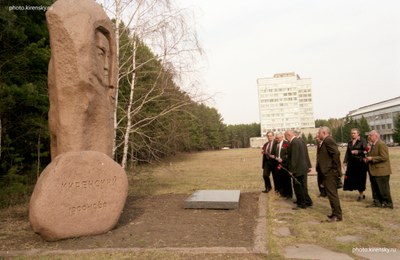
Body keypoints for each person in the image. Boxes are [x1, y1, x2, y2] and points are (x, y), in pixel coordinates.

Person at [316, 126, 342, 222]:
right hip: (327, 172)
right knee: (331, 194)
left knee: (332, 194)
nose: (318, 135)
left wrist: (334, 168)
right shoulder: (325, 141)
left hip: (330, 172)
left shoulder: (328, 140)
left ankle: (338, 216)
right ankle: (334, 213)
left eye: (319, 133)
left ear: (324, 132)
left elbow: (336, 153)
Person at [364, 130, 393, 209]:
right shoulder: (373, 145)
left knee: (383, 189)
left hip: (381, 171)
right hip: (374, 170)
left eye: (370, 135)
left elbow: (384, 157)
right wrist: (368, 153)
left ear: (375, 136)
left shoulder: (381, 144)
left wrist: (371, 158)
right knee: (375, 188)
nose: (369, 137)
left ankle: (388, 204)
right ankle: (377, 202)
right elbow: (371, 155)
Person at [284, 130, 312, 209]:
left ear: (288, 135)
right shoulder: (299, 141)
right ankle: (307, 201)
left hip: (298, 169)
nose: (286, 139)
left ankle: (301, 204)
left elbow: (294, 157)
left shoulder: (294, 142)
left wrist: (291, 170)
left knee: (298, 187)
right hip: (302, 167)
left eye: (286, 137)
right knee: (302, 186)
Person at [343, 128, 368, 201]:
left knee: (360, 179)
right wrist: (344, 161)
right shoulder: (350, 142)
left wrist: (358, 152)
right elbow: (347, 152)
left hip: (360, 162)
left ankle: (361, 195)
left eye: (354, 133)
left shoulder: (363, 140)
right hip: (351, 162)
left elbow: (366, 150)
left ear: (358, 134)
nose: (353, 134)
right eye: (352, 133)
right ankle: (360, 194)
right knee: (351, 178)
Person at [275, 132, 292, 198]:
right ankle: (283, 193)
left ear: (282, 137)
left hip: (285, 164)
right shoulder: (277, 144)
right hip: (278, 164)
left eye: (278, 138)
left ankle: (289, 194)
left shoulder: (286, 143)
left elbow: (288, 154)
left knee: (287, 179)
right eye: (276, 138)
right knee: (280, 179)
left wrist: (283, 159)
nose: (277, 139)